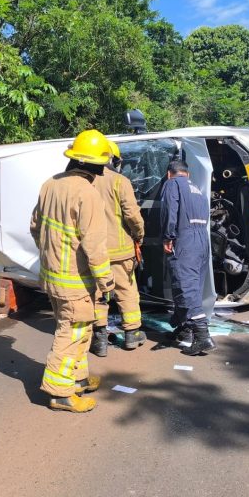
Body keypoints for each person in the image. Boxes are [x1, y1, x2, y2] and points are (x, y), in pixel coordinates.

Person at [30, 129, 115, 413]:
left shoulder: (49, 185)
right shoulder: (87, 193)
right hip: (75, 281)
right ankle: (60, 393)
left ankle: (77, 379)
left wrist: (51, 256)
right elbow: (94, 244)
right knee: (72, 333)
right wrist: (106, 280)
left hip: (52, 277)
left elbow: (35, 227)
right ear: (97, 164)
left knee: (78, 329)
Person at [90, 140, 146, 356]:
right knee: (126, 291)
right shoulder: (119, 181)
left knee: (98, 294)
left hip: (94, 251)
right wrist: (139, 235)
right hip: (121, 250)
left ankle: (100, 339)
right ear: (113, 159)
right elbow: (132, 215)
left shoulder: (85, 181)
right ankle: (132, 334)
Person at [160, 159, 215, 356]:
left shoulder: (172, 184)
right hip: (201, 240)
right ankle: (184, 328)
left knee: (185, 286)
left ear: (169, 174)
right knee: (193, 285)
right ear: (188, 174)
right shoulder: (198, 189)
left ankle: (202, 336)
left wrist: (168, 237)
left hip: (186, 240)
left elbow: (169, 212)